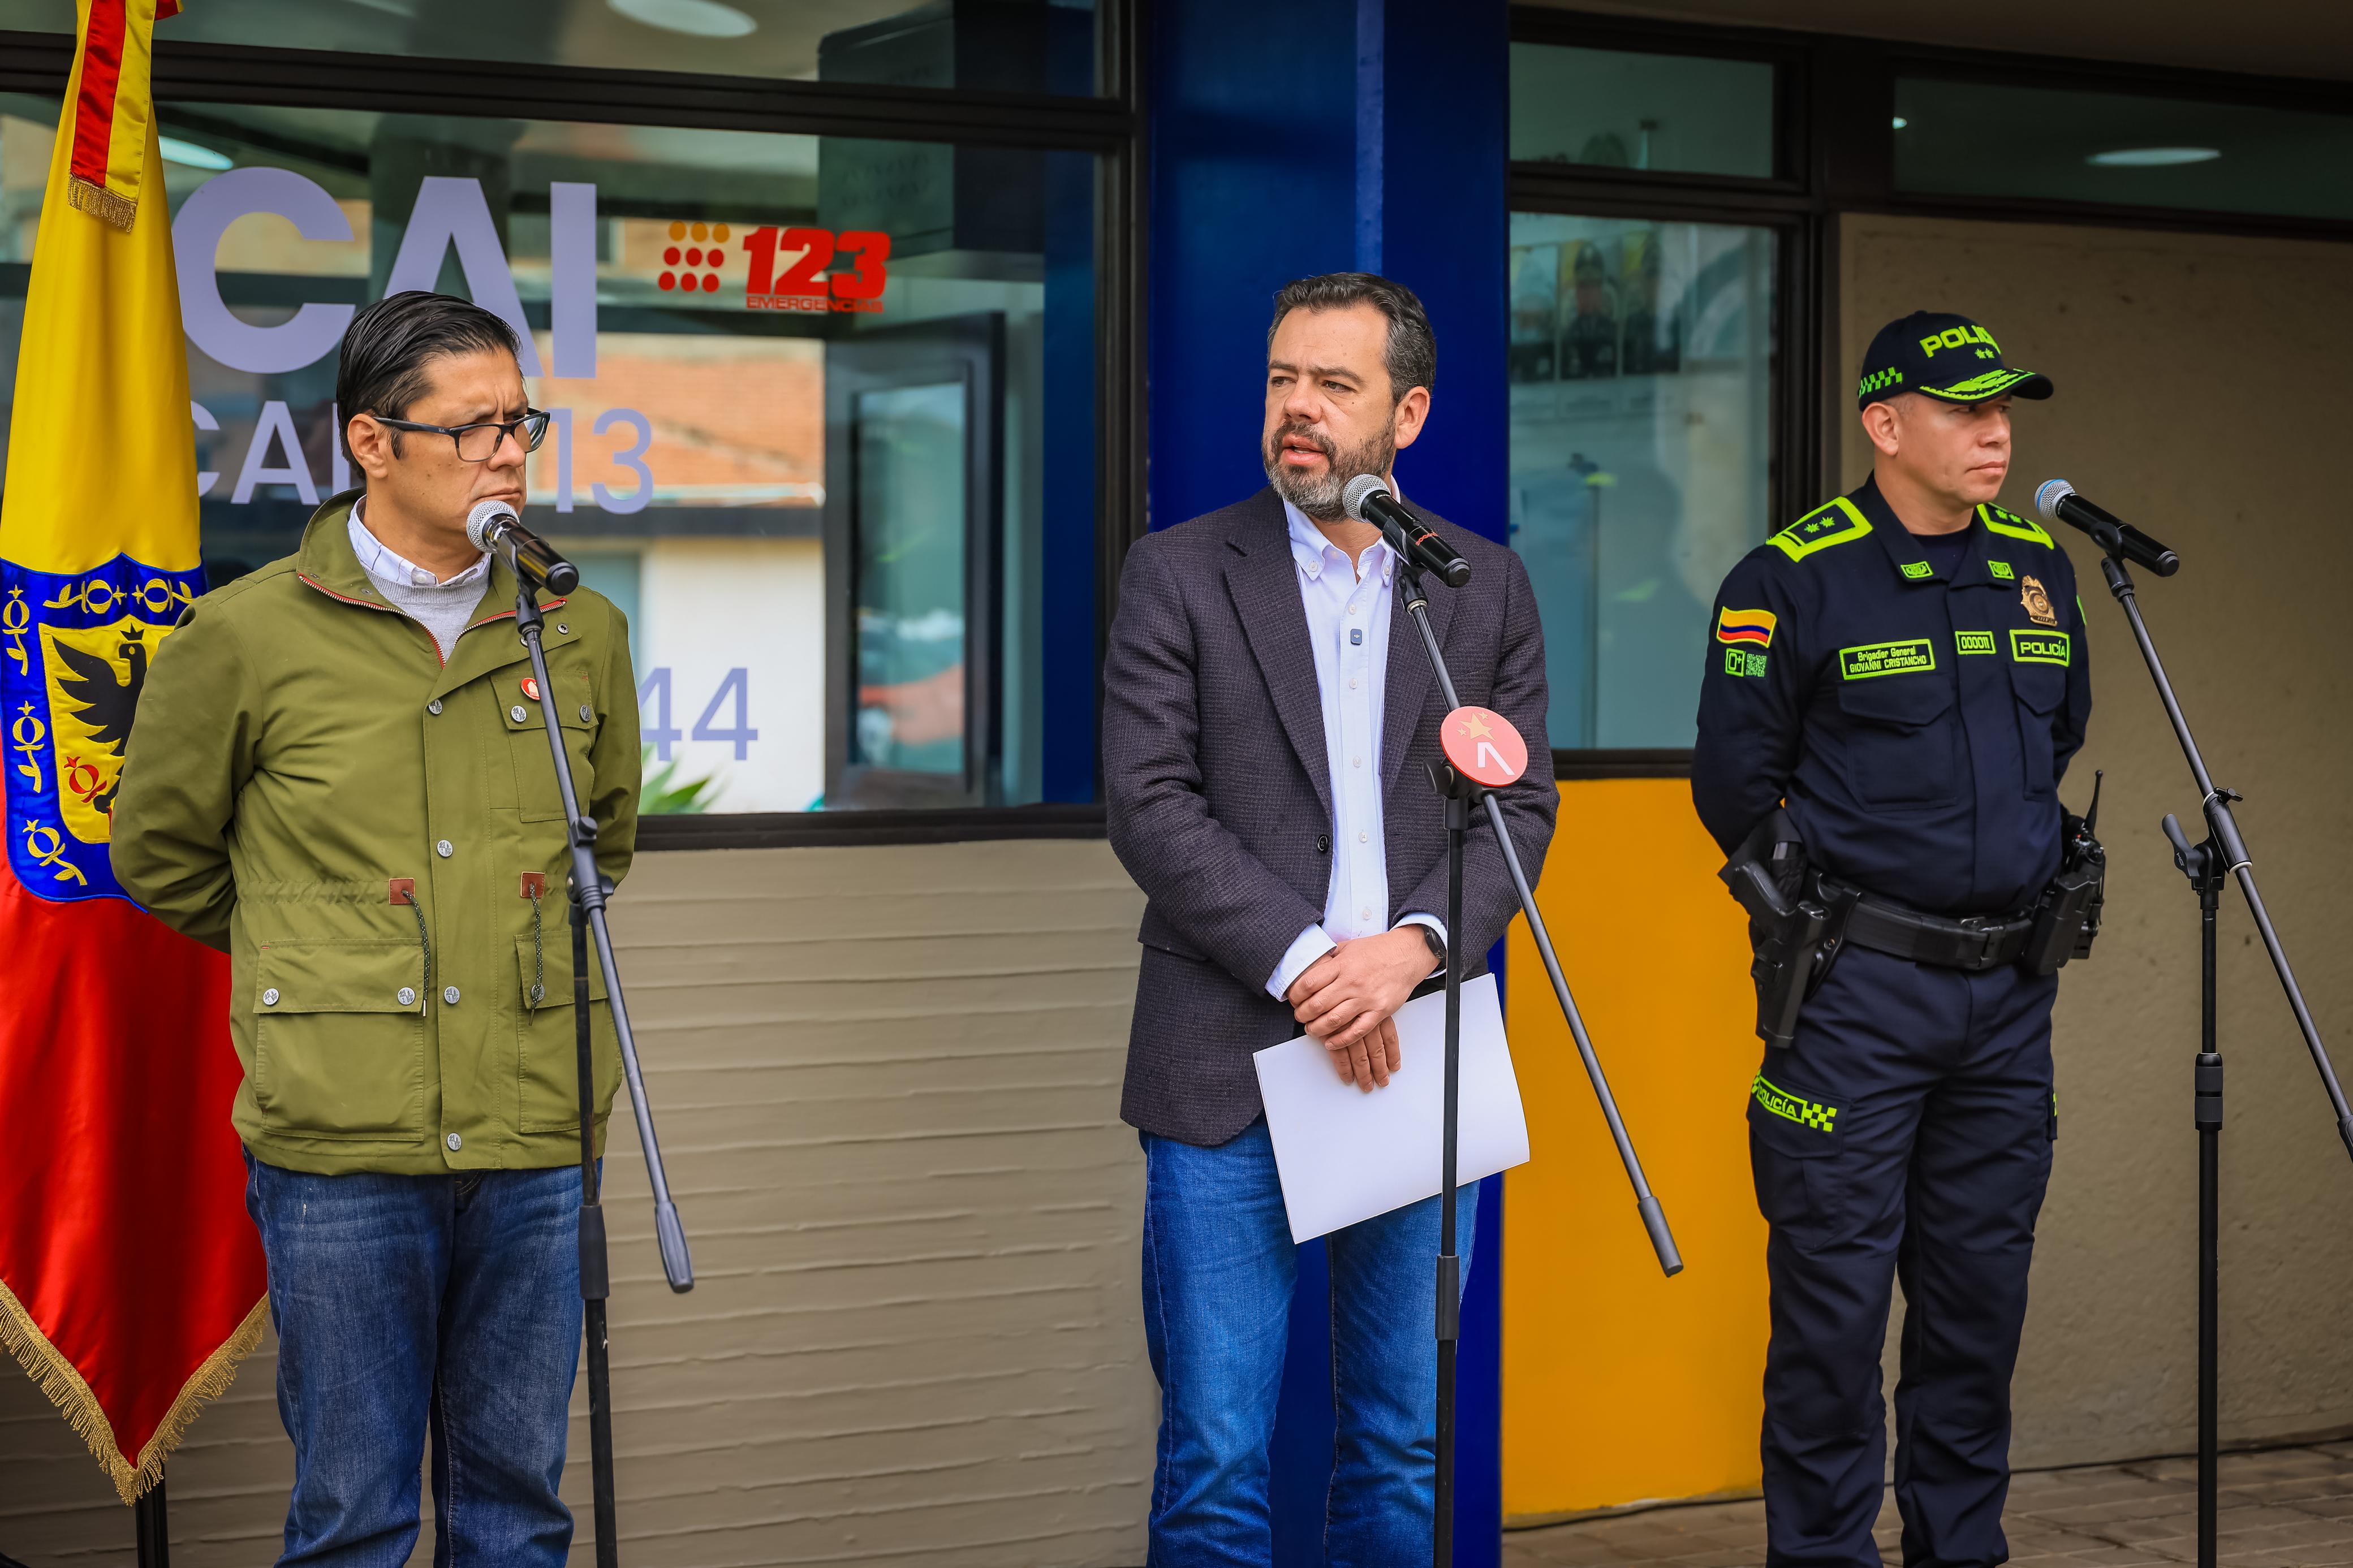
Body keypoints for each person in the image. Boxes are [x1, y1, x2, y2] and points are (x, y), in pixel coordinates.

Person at [112, 291, 640, 1567]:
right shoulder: (247, 635)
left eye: (521, 424)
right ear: (372, 443)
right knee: (353, 1513)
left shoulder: (578, 628)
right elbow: (161, 853)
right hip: (342, 1140)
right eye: (473, 428)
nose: (508, 453)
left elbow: (604, 843)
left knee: (519, 1510)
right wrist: (320, 962)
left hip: (536, 1130)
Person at [1102, 271, 1555, 1560]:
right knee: (1214, 1455)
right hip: (1223, 1058)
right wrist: (1315, 967)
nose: (1296, 408)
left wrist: (1409, 952)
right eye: (1281, 379)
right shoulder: (1179, 571)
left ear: (1407, 414)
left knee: (1402, 1445)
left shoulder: (1478, 586)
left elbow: (1520, 806)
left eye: (1334, 385)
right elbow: (1149, 802)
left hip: (1416, 1051)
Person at [1693, 312, 2096, 1567]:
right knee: (1831, 1318)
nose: (1996, 432)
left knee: (1978, 1311)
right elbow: (1733, 787)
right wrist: (1828, 915)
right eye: (1966, 409)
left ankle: (1959, 1548)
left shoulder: (2037, 564)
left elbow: (2058, 738)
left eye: (2004, 408)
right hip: (1856, 998)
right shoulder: (1791, 579)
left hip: (2009, 998)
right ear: (1884, 424)